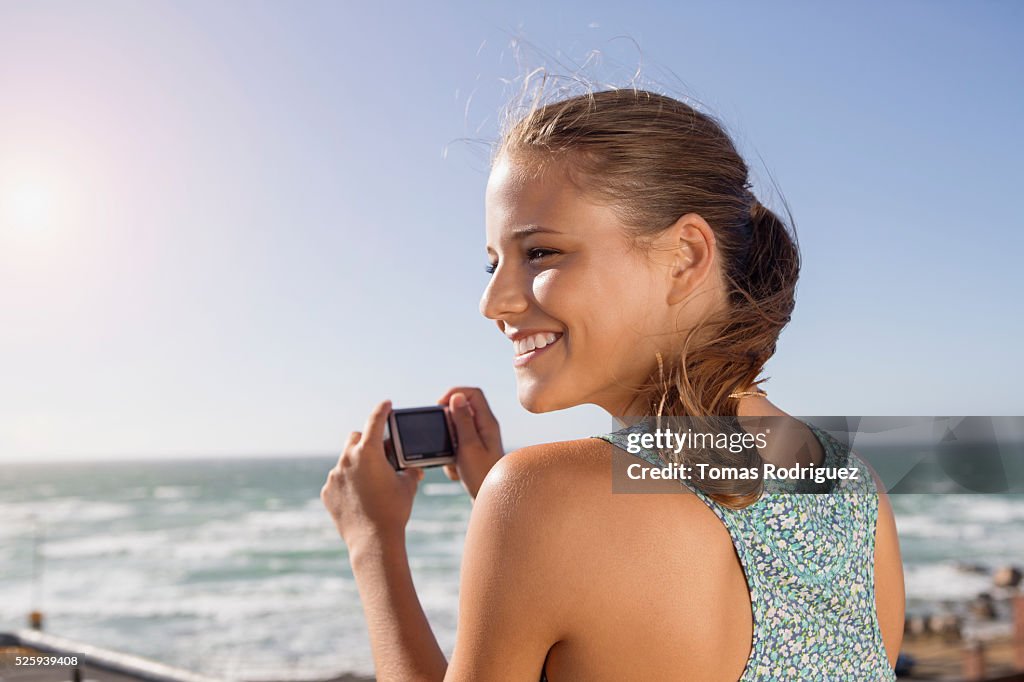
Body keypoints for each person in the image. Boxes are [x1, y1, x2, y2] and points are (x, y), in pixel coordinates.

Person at [320, 87, 905, 681]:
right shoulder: (856, 490)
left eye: (541, 252)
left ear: (684, 255)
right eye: (493, 262)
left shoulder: (539, 498)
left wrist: (374, 544)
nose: (493, 301)